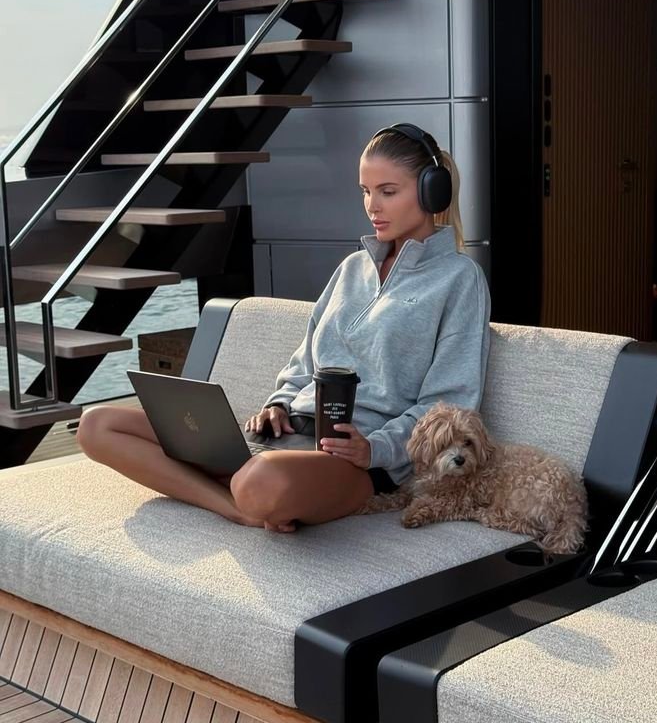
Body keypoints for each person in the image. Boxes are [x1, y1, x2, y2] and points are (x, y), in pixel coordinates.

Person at [76, 124, 491, 533]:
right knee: (98, 424)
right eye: (366, 191)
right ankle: (236, 506)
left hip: (357, 462)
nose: (372, 207)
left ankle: (243, 488)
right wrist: (278, 405)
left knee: (261, 482)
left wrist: (374, 448)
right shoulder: (351, 269)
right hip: (285, 438)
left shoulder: (459, 278)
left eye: (387, 191)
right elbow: (304, 361)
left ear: (430, 190)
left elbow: (449, 403)